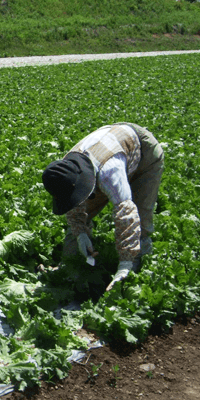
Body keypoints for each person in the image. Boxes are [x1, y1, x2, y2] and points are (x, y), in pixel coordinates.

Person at [42, 122, 164, 291]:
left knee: (140, 215)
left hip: (144, 151)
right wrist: (81, 234)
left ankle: (135, 274)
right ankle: (71, 264)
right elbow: (73, 203)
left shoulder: (109, 173)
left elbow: (126, 213)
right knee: (79, 223)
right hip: (111, 147)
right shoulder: (65, 169)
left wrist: (125, 264)